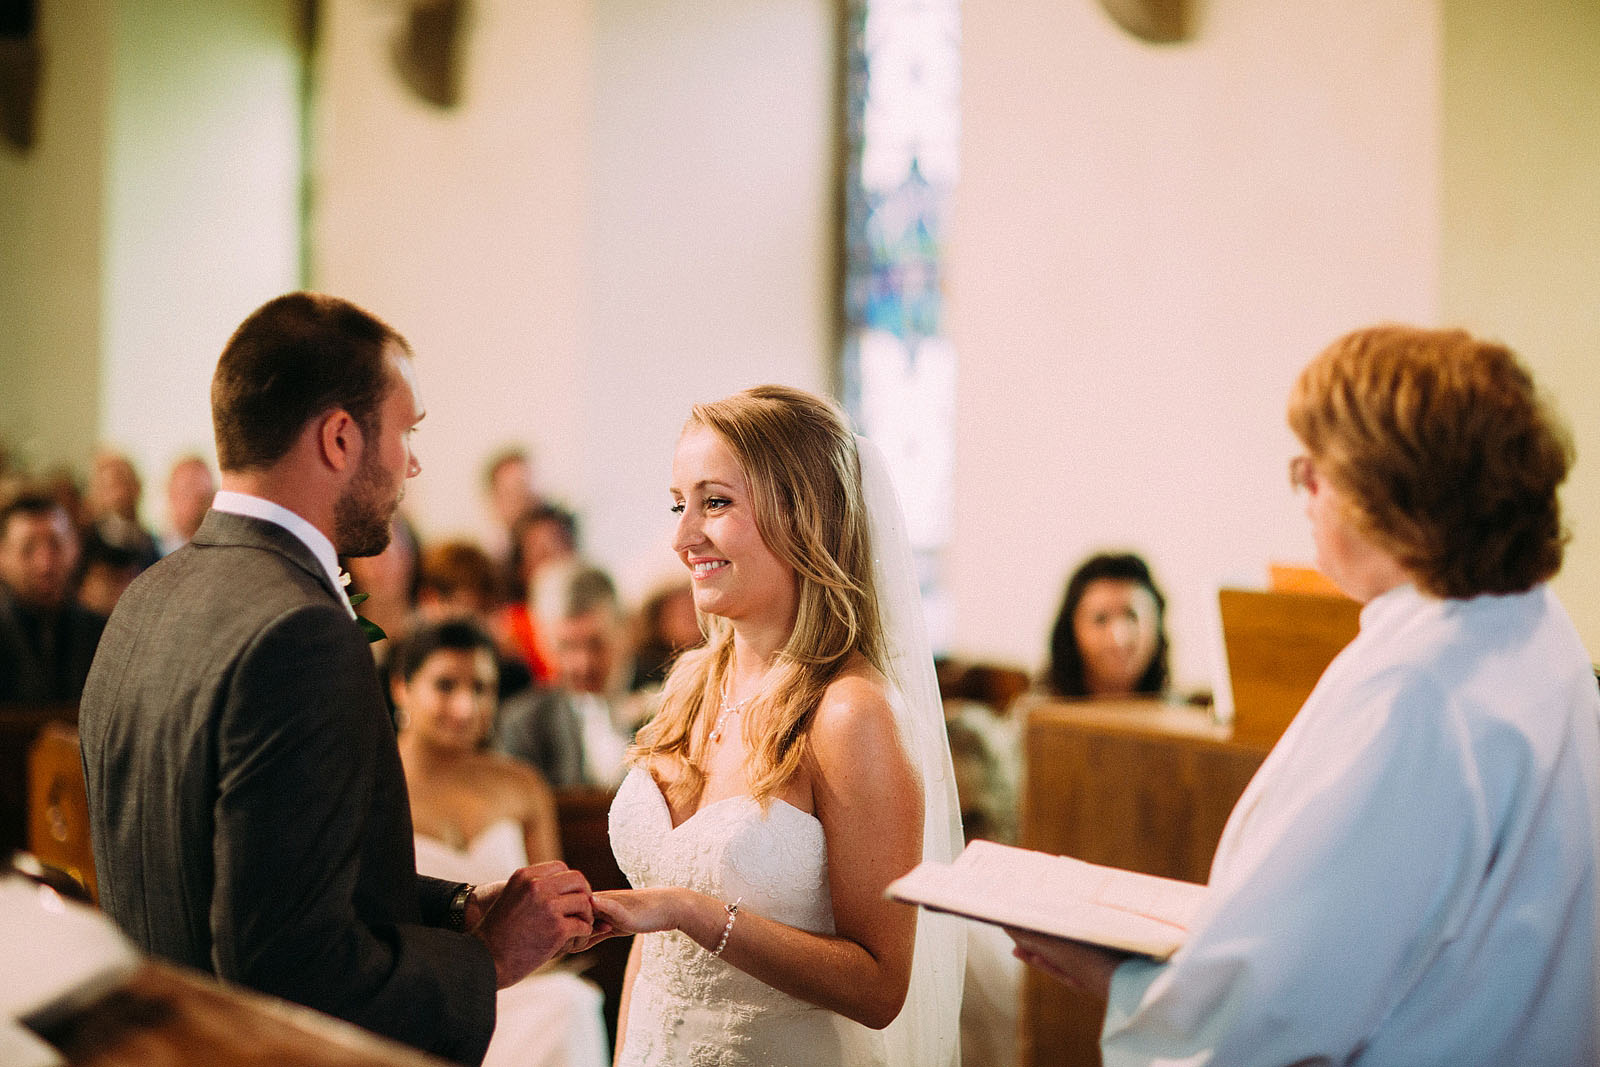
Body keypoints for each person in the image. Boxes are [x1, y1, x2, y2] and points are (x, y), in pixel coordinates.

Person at [1010, 325, 1600, 1066]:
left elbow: (1282, 1000)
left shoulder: (1414, 688)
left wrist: (1128, 984)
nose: (1304, 489)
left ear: (1392, 489)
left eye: (1317, 468)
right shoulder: (1535, 627)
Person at [78, 291, 595, 1066]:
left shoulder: (150, 594)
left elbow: (258, 866)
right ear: (341, 437)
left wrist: (456, 905)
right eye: (406, 432)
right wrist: (488, 960)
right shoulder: (300, 632)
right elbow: (287, 962)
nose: (412, 463)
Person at [584, 385, 965, 1067]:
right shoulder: (690, 685)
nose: (682, 538)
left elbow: (880, 987)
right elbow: (654, 939)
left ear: (803, 514)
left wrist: (693, 911)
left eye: (715, 502)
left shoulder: (849, 713)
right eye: (678, 504)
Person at [392, 619, 610, 1067]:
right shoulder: (377, 786)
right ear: (402, 688)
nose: (465, 706)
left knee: (570, 1000)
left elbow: (555, 907)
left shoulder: (520, 785)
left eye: (481, 688)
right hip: (427, 988)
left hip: (526, 984)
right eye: (445, 685)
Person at [496, 566, 642, 788]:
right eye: (566, 646)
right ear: (543, 644)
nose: (583, 664)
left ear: (626, 631)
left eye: (596, 643)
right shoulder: (524, 724)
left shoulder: (671, 698)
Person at [0, 491, 106, 703]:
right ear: (3, 556)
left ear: (75, 548)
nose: (45, 565)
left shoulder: (103, 633)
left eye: (56, 545)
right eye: (28, 549)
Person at [1042, 552, 1169, 698]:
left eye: (1132, 616)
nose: (1119, 639)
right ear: (1070, 629)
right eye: (1100, 619)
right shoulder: (1034, 709)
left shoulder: (1181, 709)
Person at [158, 453, 216, 555]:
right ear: (171, 493)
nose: (194, 500)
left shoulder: (223, 550)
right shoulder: (149, 550)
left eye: (204, 494)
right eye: (187, 490)